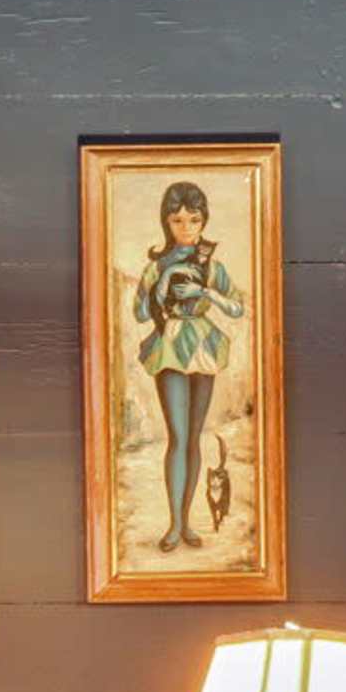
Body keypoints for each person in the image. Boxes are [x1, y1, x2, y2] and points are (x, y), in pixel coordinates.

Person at [131, 181, 246, 550]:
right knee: (178, 437)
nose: (186, 228)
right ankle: (174, 524)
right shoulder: (156, 265)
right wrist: (163, 280)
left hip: (203, 345)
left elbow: (237, 307)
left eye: (194, 220)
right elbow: (139, 313)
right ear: (167, 223)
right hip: (170, 345)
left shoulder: (213, 264)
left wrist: (205, 292)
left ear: (203, 221)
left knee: (194, 437)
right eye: (178, 220)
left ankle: (188, 523)